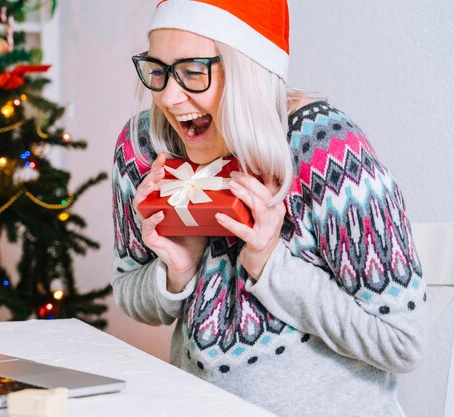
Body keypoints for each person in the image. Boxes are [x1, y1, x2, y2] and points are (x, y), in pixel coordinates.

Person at [111, 1, 427, 416]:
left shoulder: (326, 151)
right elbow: (130, 294)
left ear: (249, 70)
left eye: (192, 72)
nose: (169, 97)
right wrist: (176, 271)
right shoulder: (145, 147)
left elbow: (401, 340)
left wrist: (269, 264)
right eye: (158, 70)